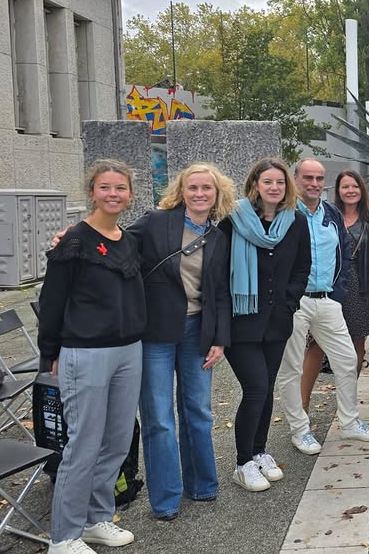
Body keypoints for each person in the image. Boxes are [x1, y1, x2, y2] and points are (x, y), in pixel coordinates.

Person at [38, 159, 146, 554]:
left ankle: (96, 518)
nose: (113, 194)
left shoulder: (128, 240)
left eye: (120, 188)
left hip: (128, 351)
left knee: (116, 442)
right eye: (105, 187)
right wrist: (49, 353)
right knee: (83, 445)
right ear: (91, 192)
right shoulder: (73, 242)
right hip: (85, 353)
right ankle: (63, 536)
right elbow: (52, 302)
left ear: (130, 194)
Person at [130, 162, 236, 520]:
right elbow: (117, 243)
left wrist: (220, 338)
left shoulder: (218, 237)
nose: (200, 193)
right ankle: (166, 499)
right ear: (182, 191)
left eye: (207, 188)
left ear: (217, 194)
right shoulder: (156, 222)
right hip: (155, 333)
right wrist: (74, 238)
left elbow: (220, 292)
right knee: (159, 417)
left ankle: (202, 484)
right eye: (193, 187)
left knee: (199, 412)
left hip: (197, 332)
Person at [277, 159, 369, 458]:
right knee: (292, 367)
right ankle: (300, 429)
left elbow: (344, 253)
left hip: (327, 300)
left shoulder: (331, 213)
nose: (314, 183)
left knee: (347, 360)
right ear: (295, 179)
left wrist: (337, 291)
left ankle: (349, 422)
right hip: (295, 302)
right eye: (307, 177)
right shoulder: (285, 212)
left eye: (319, 178)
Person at [219, 157, 311, 492]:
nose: (274, 187)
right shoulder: (233, 219)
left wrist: (289, 302)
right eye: (268, 181)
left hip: (277, 321)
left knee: (267, 388)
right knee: (256, 388)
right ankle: (242, 463)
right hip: (241, 320)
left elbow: (302, 267)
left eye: (280, 182)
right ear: (255, 184)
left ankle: (259, 452)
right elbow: (218, 269)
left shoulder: (295, 221)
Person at [300, 170, 369, 410]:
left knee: (356, 345)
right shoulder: (328, 216)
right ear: (338, 190)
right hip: (332, 286)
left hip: (361, 289)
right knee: (316, 345)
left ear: (362, 190)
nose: (350, 191)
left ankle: (346, 402)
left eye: (355, 186)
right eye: (345, 186)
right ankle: (303, 404)